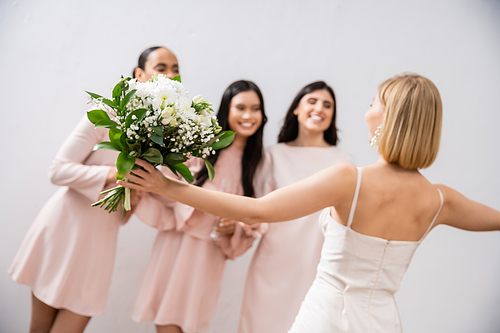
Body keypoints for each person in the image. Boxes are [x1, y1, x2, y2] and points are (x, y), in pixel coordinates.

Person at [118, 73, 500, 332]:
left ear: (388, 118)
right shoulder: (439, 199)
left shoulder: (350, 178)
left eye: (373, 102)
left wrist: (167, 187)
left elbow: (257, 209)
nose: (367, 109)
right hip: (382, 321)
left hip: (327, 317)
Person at [8, 46, 179, 333]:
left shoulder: (160, 136)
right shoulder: (104, 115)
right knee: (38, 329)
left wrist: (135, 195)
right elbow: (58, 169)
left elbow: (123, 212)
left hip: (100, 243)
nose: (171, 75)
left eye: (176, 69)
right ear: (139, 75)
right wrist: (114, 173)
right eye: (162, 68)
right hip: (63, 231)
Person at [130, 80, 272, 333]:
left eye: (255, 108)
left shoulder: (259, 163)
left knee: (192, 323)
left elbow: (260, 214)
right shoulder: (201, 147)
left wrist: (234, 226)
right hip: (177, 244)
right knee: (165, 320)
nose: (248, 115)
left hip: (209, 256)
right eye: (241, 107)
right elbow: (168, 186)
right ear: (227, 110)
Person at [239, 81, 353, 333]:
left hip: (319, 264)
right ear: (296, 109)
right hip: (274, 261)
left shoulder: (342, 162)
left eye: (327, 105)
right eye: (312, 101)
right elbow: (255, 207)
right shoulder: (273, 155)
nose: (319, 109)